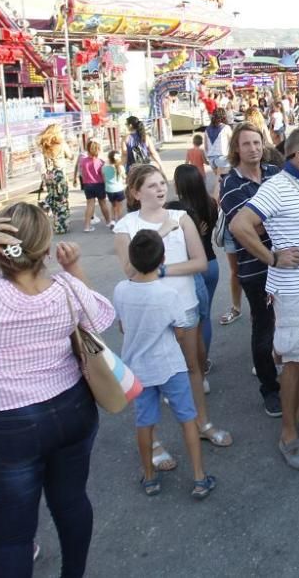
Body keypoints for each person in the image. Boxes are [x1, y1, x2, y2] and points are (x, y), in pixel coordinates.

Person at [0, 203, 114, 577]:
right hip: (72, 409)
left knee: (12, 538)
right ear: (47, 247)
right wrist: (73, 269)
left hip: (9, 424)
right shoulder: (64, 288)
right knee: (71, 502)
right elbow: (100, 317)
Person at [230, 128, 299, 470]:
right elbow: (239, 225)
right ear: (298, 156)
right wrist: (272, 257)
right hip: (292, 291)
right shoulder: (276, 187)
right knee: (293, 360)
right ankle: (288, 434)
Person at [113, 165, 232, 466]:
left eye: (161, 183)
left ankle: (203, 423)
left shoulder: (182, 218)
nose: (159, 189)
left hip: (184, 305)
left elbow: (200, 262)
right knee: (147, 377)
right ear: (135, 192)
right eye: (151, 186)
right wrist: (159, 234)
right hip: (147, 315)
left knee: (192, 367)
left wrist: (163, 269)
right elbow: (130, 270)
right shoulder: (125, 226)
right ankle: (152, 442)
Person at [113, 230, 216, 500]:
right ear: (163, 259)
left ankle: (149, 477)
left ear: (132, 259)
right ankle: (199, 477)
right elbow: (181, 332)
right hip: (170, 366)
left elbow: (123, 326)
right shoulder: (168, 294)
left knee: (144, 422)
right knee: (187, 418)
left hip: (138, 370)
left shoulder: (121, 290)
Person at [219, 122, 283, 417]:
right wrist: (268, 216)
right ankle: (269, 389)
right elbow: (244, 226)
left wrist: (259, 218)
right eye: (246, 144)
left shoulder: (273, 172)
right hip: (254, 267)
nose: (253, 148)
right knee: (264, 327)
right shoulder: (230, 183)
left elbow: (286, 209)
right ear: (236, 149)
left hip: (288, 261)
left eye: (257, 142)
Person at [167, 164, 220, 372]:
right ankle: (203, 362)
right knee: (205, 318)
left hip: (188, 268)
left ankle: (191, 366)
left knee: (188, 320)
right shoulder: (210, 204)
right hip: (212, 263)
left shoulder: (175, 210)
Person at [37, 124, 75, 235]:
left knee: (54, 199)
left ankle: (52, 215)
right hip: (59, 175)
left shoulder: (45, 146)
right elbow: (71, 156)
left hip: (49, 175)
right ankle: (61, 225)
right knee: (62, 200)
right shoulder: (62, 144)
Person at [78, 140, 112, 232]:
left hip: (87, 185)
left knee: (90, 205)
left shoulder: (83, 161)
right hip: (99, 184)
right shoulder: (100, 162)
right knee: (103, 204)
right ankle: (109, 222)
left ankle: (87, 226)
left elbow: (81, 173)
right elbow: (103, 174)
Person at [204, 108, 233, 195]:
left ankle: (221, 199)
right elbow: (232, 142)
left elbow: (205, 146)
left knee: (219, 179)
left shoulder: (207, 129)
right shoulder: (226, 128)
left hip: (211, 159)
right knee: (219, 182)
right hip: (222, 158)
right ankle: (215, 202)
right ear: (224, 116)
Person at [103, 150, 127, 224]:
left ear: (109, 158)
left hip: (109, 190)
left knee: (113, 206)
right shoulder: (121, 167)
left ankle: (113, 221)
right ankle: (120, 222)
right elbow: (124, 177)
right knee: (120, 208)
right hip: (119, 189)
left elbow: (104, 179)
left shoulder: (104, 167)